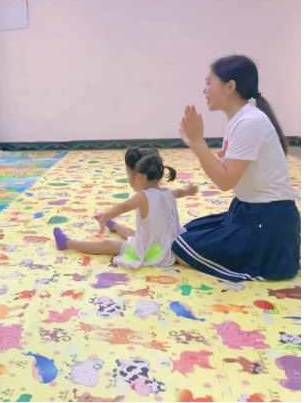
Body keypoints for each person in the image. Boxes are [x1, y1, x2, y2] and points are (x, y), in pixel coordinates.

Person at [173, 55, 300, 281]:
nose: (204, 90)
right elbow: (225, 173)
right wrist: (195, 143)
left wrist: (199, 143)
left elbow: (225, 181)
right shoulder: (241, 119)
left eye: (208, 83)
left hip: (268, 225)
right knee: (184, 232)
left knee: (180, 246)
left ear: (230, 86)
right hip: (247, 212)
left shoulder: (250, 122)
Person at [53, 148, 198, 269]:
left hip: (153, 250)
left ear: (139, 177)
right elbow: (180, 192)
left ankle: (67, 243)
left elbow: (122, 207)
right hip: (170, 243)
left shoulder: (143, 196)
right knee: (133, 233)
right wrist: (188, 191)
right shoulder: (167, 192)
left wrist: (105, 215)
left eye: (128, 174)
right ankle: (114, 226)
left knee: (107, 245)